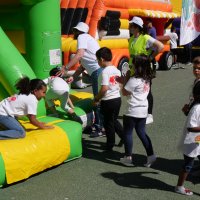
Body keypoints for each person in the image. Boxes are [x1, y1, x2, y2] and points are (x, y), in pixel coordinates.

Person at [60, 22, 103, 137]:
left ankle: (100, 128)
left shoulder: (82, 37)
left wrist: (65, 68)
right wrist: (72, 77)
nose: (74, 32)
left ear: (78, 31)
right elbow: (82, 65)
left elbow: (79, 55)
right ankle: (99, 124)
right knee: (97, 99)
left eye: (75, 30)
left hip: (97, 72)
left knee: (98, 100)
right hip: (97, 71)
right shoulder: (88, 39)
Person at [120, 55, 156, 167]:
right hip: (143, 109)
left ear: (138, 66)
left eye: (133, 64)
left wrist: (125, 78)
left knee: (128, 133)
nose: (132, 66)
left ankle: (128, 157)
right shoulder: (147, 78)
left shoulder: (134, 79)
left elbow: (124, 92)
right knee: (141, 132)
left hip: (132, 110)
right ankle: (151, 155)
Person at [127, 16, 164, 124]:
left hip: (143, 68)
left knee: (146, 91)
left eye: (132, 26)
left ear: (137, 27)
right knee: (135, 90)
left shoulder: (146, 37)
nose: (129, 27)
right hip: (133, 67)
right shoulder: (131, 39)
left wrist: (150, 57)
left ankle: (149, 114)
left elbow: (160, 46)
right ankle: (138, 111)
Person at [94, 47, 124, 151]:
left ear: (102, 59)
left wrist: (97, 98)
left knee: (108, 123)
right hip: (117, 99)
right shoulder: (116, 70)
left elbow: (104, 88)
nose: (97, 62)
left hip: (108, 101)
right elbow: (120, 84)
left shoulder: (104, 72)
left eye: (97, 60)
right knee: (113, 120)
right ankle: (124, 136)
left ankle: (110, 144)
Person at [175, 81, 200, 196]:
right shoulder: (196, 108)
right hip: (191, 142)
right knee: (187, 165)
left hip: (197, 141)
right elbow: (191, 127)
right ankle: (179, 187)